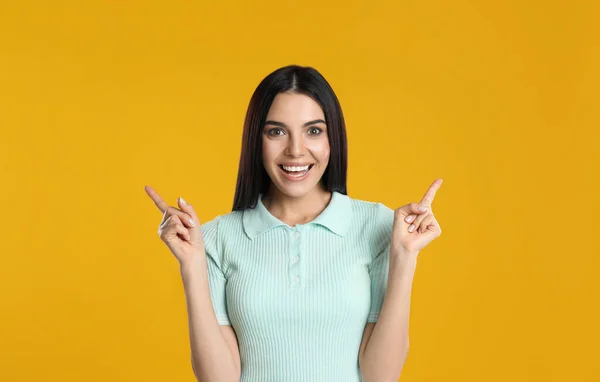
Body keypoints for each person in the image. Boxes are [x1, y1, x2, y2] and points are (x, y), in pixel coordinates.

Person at [145, 65, 443, 382]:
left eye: (313, 131)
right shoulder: (218, 239)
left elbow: (381, 376)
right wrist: (192, 263)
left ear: (333, 139)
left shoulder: (378, 227)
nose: (296, 151)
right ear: (256, 140)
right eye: (276, 131)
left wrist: (404, 255)